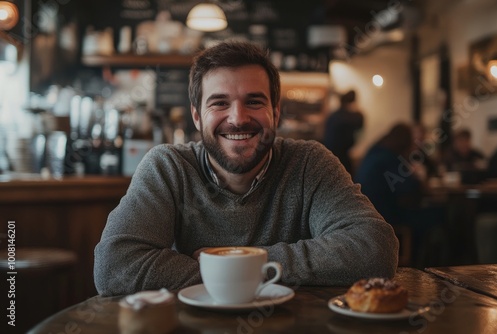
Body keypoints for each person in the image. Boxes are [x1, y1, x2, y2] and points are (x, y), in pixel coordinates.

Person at [94, 41, 398, 296]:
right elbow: (114, 266)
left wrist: (239, 263)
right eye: (220, 103)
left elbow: (375, 249)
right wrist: (260, 275)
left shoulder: (309, 164)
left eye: (254, 102)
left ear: (275, 113)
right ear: (197, 117)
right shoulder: (168, 168)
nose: (238, 118)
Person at [354, 123, 446, 266]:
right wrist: (416, 177)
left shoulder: (374, 151)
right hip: (385, 214)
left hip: (366, 212)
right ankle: (425, 265)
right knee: (439, 213)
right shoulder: (390, 157)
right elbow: (409, 188)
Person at [323, 90, 364, 175]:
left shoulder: (334, 116)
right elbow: (360, 122)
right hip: (340, 156)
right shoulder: (350, 117)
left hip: (330, 154)